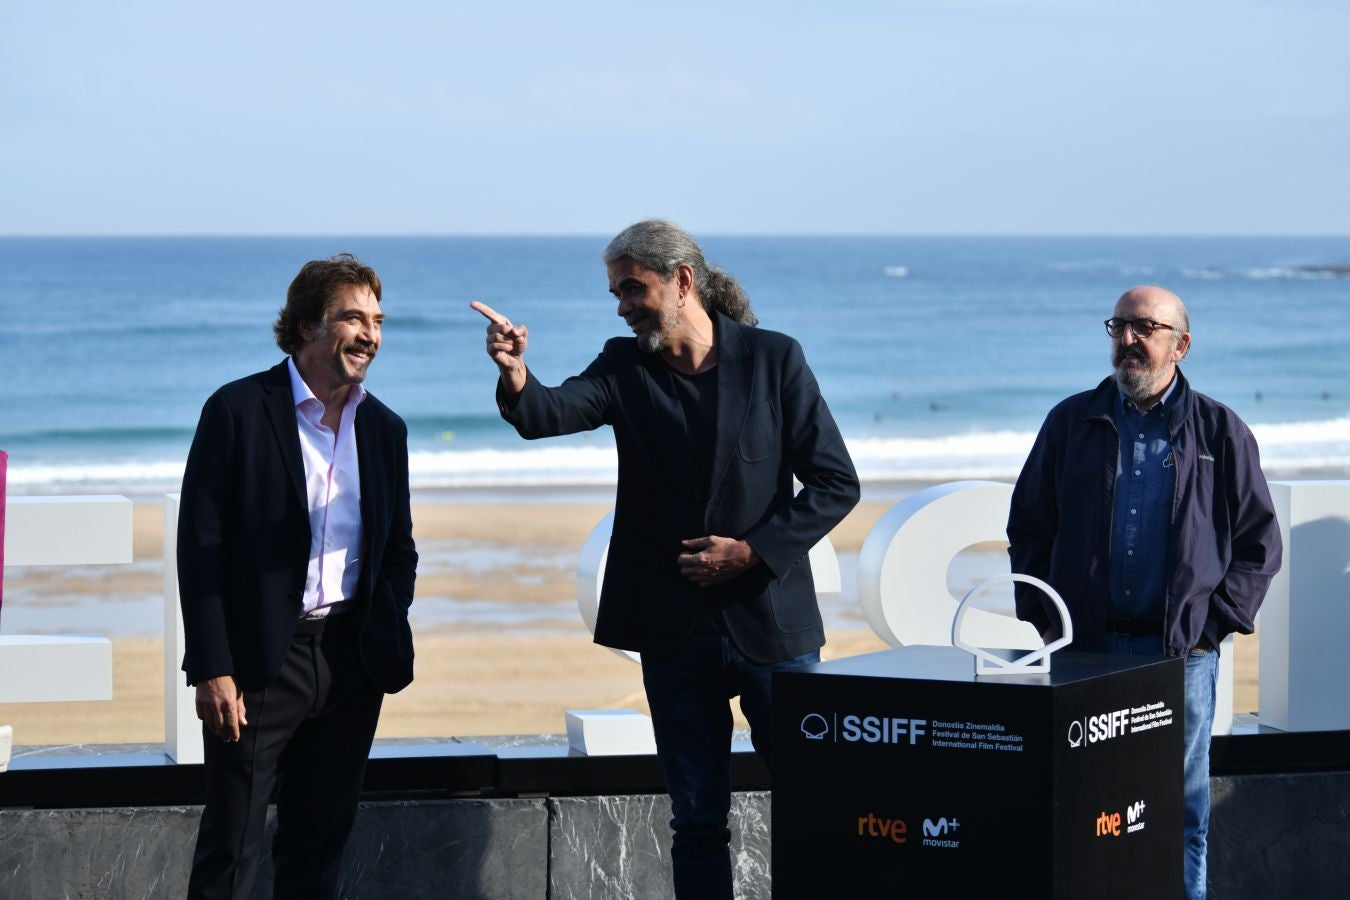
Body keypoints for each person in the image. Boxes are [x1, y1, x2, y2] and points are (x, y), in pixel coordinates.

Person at [472, 219, 859, 899]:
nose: (621, 304)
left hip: (774, 629)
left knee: (817, 805)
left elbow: (834, 483)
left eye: (632, 288)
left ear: (681, 281)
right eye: (616, 291)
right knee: (697, 821)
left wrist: (750, 552)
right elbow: (546, 413)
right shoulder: (624, 367)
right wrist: (515, 374)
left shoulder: (775, 359)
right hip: (675, 636)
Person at [1007, 285, 1281, 900]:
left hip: (1179, 659)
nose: (1128, 340)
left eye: (1145, 328)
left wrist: (1213, 626)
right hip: (1085, 655)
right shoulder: (1070, 422)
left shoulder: (1220, 430)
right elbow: (1028, 525)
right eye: (1119, 326)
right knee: (1083, 804)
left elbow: (1259, 542)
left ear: (1180, 345)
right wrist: (1047, 620)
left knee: (1179, 811)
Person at [178, 253, 418, 899]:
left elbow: (399, 549)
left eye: (377, 319)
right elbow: (200, 548)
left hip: (348, 664)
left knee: (318, 854)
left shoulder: (385, 429)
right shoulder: (237, 411)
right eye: (352, 317)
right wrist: (212, 664)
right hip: (259, 666)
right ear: (309, 324)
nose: (369, 333)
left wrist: (382, 626)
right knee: (231, 851)